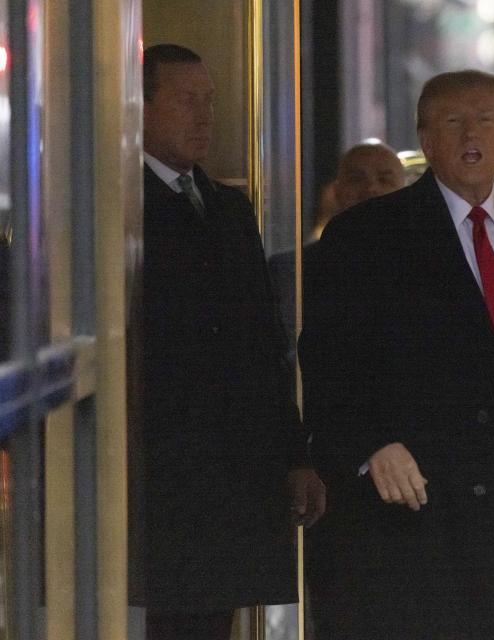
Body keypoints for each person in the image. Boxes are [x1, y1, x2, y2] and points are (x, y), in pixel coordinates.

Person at [299, 69, 494, 640]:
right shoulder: (367, 235)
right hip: (419, 508)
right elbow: (325, 361)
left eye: (486, 119)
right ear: (426, 138)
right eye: (454, 121)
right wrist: (370, 443)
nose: (472, 134)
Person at [134, 43, 325, 640]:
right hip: (158, 481)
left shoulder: (228, 208)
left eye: (209, 102)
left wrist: (295, 457)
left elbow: (266, 348)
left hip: (233, 478)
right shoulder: (117, 208)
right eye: (185, 101)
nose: (203, 116)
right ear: (138, 108)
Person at [269, 142, 406, 351]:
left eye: (385, 179)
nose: (371, 189)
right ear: (336, 191)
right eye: (356, 179)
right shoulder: (289, 270)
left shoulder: (429, 268)